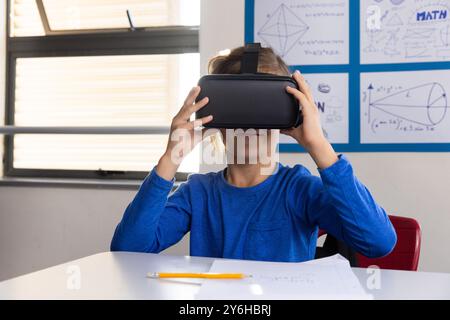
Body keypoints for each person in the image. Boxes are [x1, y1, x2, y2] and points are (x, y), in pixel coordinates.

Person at [110, 46, 397, 262]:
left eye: (263, 109)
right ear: (218, 121)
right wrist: (171, 157)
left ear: (286, 118)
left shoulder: (299, 189)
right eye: (238, 109)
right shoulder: (198, 193)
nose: (250, 124)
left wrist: (318, 145)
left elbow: (379, 242)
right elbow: (128, 250)